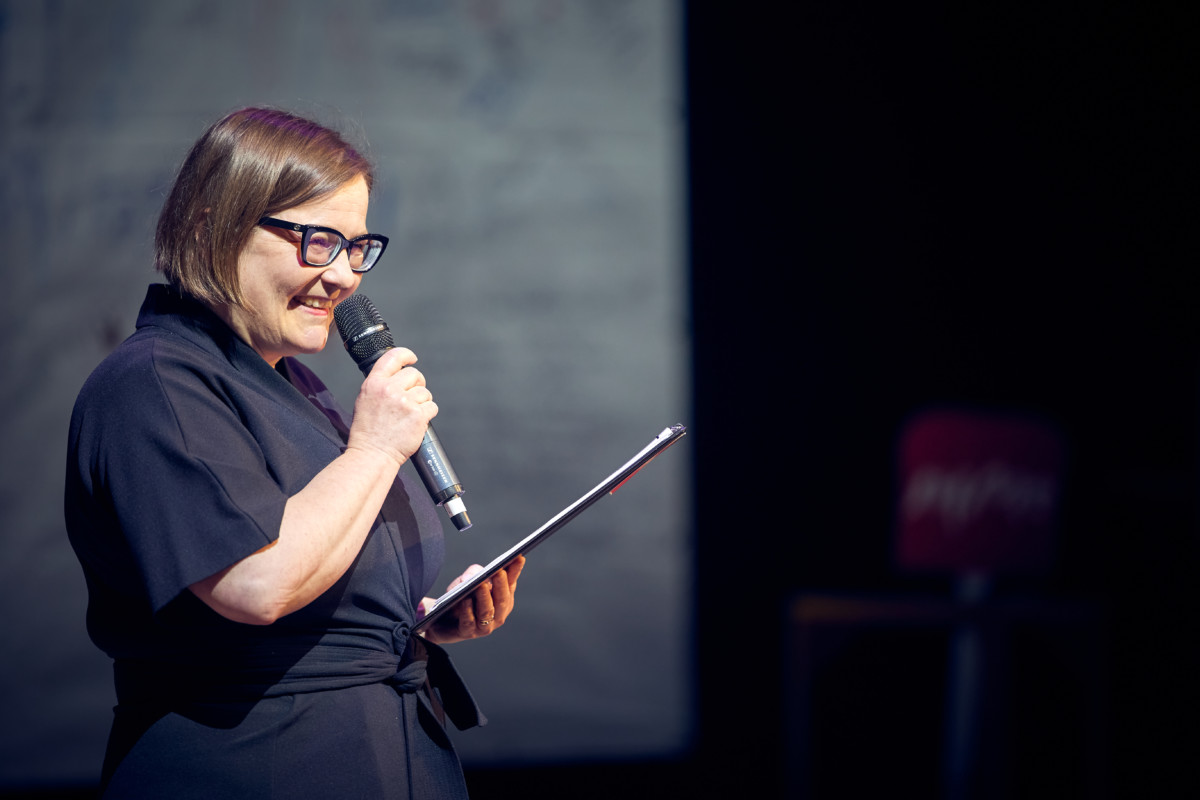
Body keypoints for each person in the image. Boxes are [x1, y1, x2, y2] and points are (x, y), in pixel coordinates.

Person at [64, 107, 524, 799]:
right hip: (255, 766)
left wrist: (417, 621)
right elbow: (257, 584)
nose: (343, 277)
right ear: (211, 227)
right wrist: (373, 448)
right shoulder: (153, 384)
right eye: (317, 242)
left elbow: (324, 571)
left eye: (357, 248)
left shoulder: (295, 387)